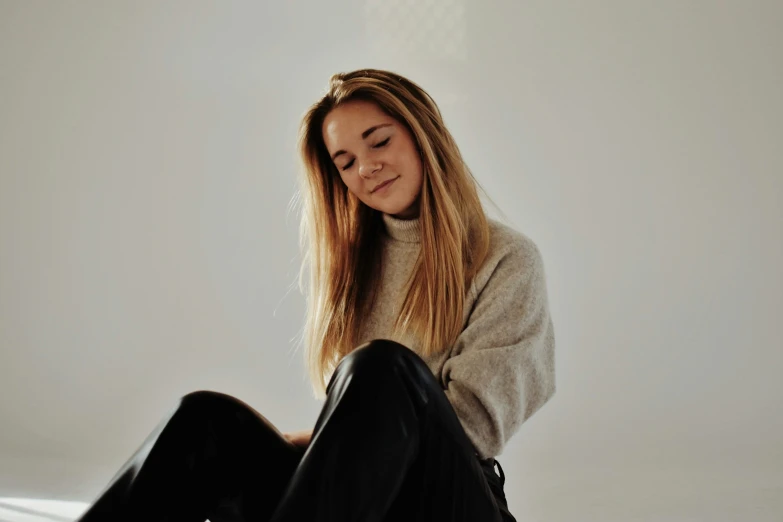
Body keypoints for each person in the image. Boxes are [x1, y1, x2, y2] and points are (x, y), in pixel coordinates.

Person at [75, 68, 556, 522]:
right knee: (205, 420)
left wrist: (341, 429)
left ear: (423, 133)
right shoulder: (359, 263)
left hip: (450, 504)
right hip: (353, 502)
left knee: (382, 367)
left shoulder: (507, 258)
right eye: (345, 162)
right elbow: (361, 430)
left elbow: (475, 426)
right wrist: (304, 446)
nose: (366, 168)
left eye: (380, 141)